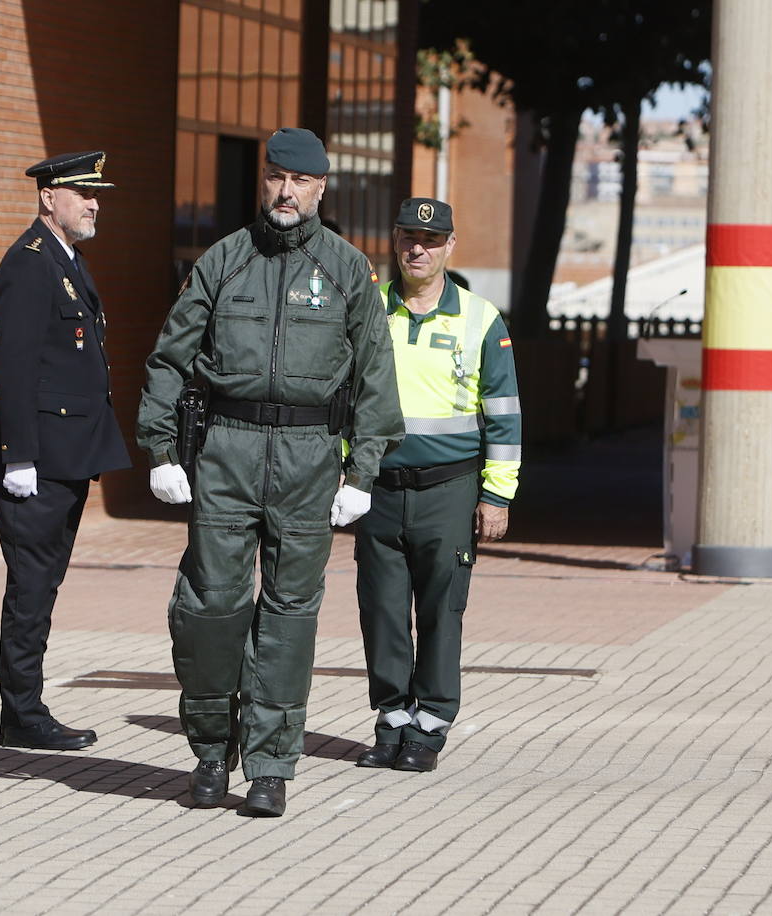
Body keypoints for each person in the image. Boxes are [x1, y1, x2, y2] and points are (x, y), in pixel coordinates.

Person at [137, 128, 404, 817]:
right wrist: (161, 450)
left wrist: (363, 472)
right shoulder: (223, 260)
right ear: (265, 181)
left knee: (289, 616)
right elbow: (170, 357)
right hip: (226, 448)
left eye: (300, 181)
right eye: (277, 178)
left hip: (309, 457)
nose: (287, 192)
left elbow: (377, 376)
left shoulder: (347, 269)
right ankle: (209, 751)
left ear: (321, 188)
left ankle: (270, 766)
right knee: (209, 607)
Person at [353, 198, 521, 773]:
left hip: (450, 490)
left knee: (441, 611)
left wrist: (497, 496)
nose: (417, 249)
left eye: (430, 239)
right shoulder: (368, 308)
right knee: (381, 610)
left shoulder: (481, 319)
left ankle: (430, 724)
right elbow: (344, 398)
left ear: (450, 245)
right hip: (378, 488)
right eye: (408, 237)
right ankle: (391, 719)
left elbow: (505, 415)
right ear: (394, 240)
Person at [0, 151, 129, 753]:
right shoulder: (29, 263)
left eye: (98, 195)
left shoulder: (65, 260)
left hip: (66, 452)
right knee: (31, 587)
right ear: (49, 198)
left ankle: (26, 707)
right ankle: (22, 713)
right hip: (37, 458)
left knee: (44, 584)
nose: (94, 204)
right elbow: (12, 365)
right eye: (83, 194)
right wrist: (18, 456)